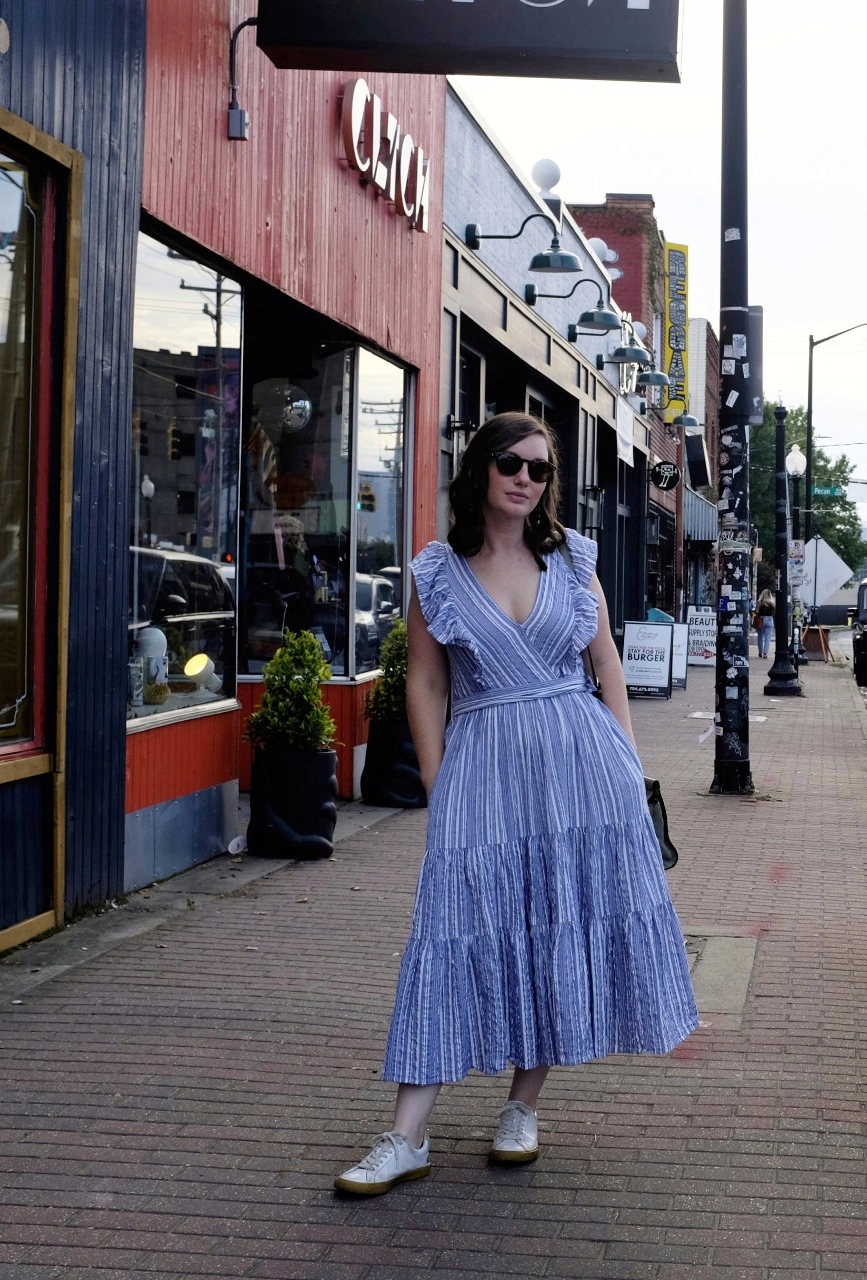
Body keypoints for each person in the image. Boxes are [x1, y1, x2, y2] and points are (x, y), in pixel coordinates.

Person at [335, 412, 698, 1196]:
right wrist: (437, 783)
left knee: (554, 922)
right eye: (512, 463)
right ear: (481, 469)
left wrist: (629, 775)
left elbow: (606, 666)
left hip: (581, 767)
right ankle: (406, 1135)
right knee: (450, 931)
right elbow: (425, 682)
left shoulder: (572, 561)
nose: (527, 478)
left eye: (539, 468)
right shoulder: (436, 572)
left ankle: (522, 1108)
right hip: (482, 767)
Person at [755, 576, 776, 659]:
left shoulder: (760, 602)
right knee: (768, 638)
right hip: (770, 620)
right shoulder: (772, 603)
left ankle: (760, 652)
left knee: (760, 637)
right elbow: (774, 613)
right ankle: (765, 653)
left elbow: (756, 611)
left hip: (761, 619)